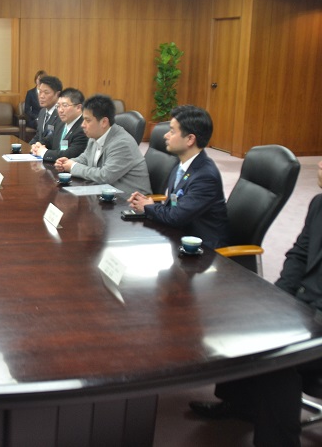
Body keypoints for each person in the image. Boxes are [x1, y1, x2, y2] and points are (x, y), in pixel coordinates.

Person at [187, 161, 322, 447]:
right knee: (241, 315)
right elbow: (299, 255)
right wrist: (280, 298)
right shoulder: (319, 203)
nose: (320, 164)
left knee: (277, 358)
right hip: (303, 304)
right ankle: (241, 404)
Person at [127, 105, 229, 248]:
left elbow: (176, 216)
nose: (166, 135)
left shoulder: (205, 177)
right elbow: (175, 206)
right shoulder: (180, 166)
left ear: (190, 139)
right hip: (179, 236)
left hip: (203, 249)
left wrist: (149, 207)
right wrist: (148, 203)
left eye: (172, 131)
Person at [55, 94, 151, 195]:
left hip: (129, 199)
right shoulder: (95, 135)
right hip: (105, 193)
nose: (82, 125)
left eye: (88, 120)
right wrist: (68, 162)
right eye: (83, 119)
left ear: (104, 122)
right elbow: (85, 158)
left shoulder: (122, 143)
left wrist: (73, 166)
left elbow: (105, 176)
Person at [31, 87, 88, 163]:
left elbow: (69, 154)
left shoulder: (84, 128)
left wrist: (44, 152)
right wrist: (38, 146)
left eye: (65, 105)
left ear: (78, 107)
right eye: (58, 106)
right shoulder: (60, 123)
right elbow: (49, 139)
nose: (60, 110)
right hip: (55, 166)